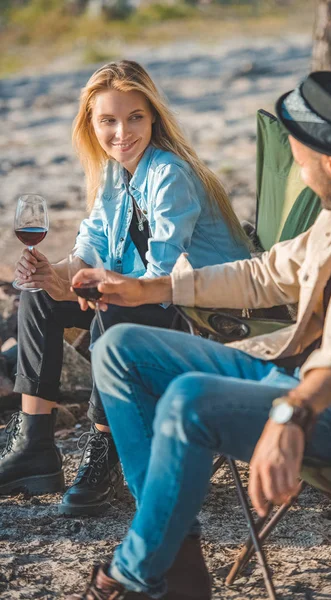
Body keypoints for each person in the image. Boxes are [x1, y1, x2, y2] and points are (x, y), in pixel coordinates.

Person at [67, 71, 331, 600]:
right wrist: (147, 290)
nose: (299, 168)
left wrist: (294, 411)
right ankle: (173, 556)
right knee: (118, 347)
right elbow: (263, 273)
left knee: (189, 397)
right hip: (288, 369)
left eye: (299, 156)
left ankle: (136, 572)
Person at [0, 60, 250, 516]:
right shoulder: (115, 174)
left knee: (114, 314)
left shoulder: (170, 175)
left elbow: (163, 277)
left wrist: (101, 291)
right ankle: (36, 447)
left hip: (207, 314)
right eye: (108, 120)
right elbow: (88, 251)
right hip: (156, 299)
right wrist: (50, 273)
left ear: (153, 116)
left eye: (134, 117)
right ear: (90, 125)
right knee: (37, 296)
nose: (122, 132)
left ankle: (105, 454)